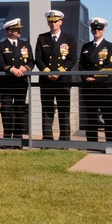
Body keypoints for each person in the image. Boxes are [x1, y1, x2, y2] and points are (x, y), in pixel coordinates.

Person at [35, 9, 77, 141]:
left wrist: (59, 72)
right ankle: (47, 139)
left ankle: (64, 139)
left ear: (61, 22)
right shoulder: (42, 38)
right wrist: (48, 73)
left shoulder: (69, 38)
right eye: (51, 21)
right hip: (46, 80)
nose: (53, 24)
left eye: (56, 21)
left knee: (64, 110)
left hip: (63, 79)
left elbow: (72, 58)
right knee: (47, 110)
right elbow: (38, 58)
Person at [79, 17, 112, 148]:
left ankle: (111, 143)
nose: (96, 31)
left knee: (109, 116)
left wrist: (94, 77)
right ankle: (92, 143)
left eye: (99, 28)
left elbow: (110, 66)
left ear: (104, 30)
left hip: (104, 85)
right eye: (94, 29)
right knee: (91, 115)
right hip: (88, 86)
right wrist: (86, 78)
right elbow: (81, 65)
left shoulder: (111, 47)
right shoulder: (86, 46)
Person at [0, 18, 33, 142]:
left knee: (19, 110)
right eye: (17, 29)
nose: (19, 31)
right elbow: (0, 63)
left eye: (19, 29)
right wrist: (11, 69)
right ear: (9, 31)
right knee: (6, 110)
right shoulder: (1, 46)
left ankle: (18, 138)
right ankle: (7, 138)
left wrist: (25, 68)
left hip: (21, 82)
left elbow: (31, 61)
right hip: (7, 83)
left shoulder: (25, 45)